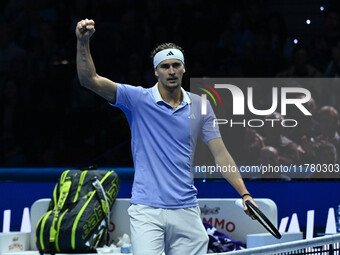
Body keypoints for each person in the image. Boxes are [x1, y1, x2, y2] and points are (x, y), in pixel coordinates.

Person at [76, 18, 256, 255]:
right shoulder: (137, 99)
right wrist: (83, 42)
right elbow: (89, 80)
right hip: (146, 211)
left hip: (187, 210)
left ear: (183, 68)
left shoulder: (201, 106)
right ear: (156, 71)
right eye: (165, 66)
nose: (171, 71)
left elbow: (221, 155)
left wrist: (245, 193)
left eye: (176, 65)